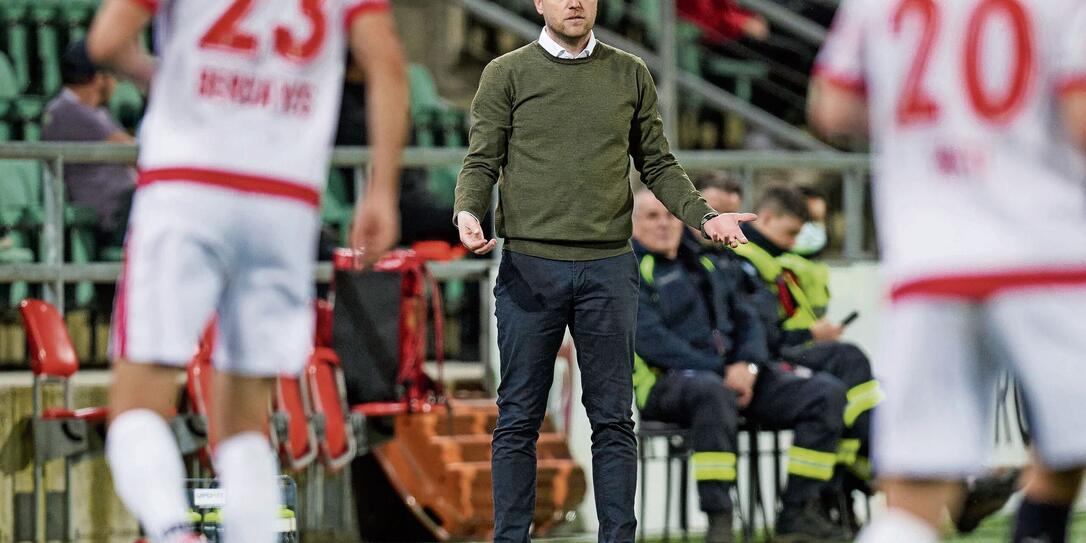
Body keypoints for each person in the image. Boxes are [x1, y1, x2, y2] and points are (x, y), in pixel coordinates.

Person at [85, 0, 407, 542]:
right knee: (243, 425)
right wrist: (381, 191)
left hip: (187, 184)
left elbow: (106, 42)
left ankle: (171, 531)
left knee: (137, 404)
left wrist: (160, 76)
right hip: (283, 200)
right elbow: (389, 68)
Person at [452, 1, 755, 540]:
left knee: (613, 420)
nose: (574, 2)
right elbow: (481, 161)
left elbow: (657, 164)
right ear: (539, 3)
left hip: (608, 269)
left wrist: (704, 218)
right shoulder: (505, 73)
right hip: (529, 268)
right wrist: (469, 212)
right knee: (519, 417)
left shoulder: (630, 72)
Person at [809, 1, 1086, 541]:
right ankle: (1038, 526)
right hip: (1043, 253)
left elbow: (832, 106)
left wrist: (935, 127)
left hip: (928, 262)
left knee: (915, 492)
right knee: (1071, 434)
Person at [631, 190, 850, 542]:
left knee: (825, 394)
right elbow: (652, 342)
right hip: (666, 385)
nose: (662, 224)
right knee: (711, 392)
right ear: (633, 223)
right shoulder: (629, 270)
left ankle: (797, 512)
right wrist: (725, 373)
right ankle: (720, 522)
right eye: (651, 216)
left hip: (733, 379)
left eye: (669, 215)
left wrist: (747, 366)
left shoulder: (707, 262)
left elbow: (749, 321)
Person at [41, 40, 136, 248]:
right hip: (108, 216)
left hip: (123, 209)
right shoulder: (65, 110)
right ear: (99, 78)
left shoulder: (96, 111)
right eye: (111, 73)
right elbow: (132, 151)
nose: (115, 81)